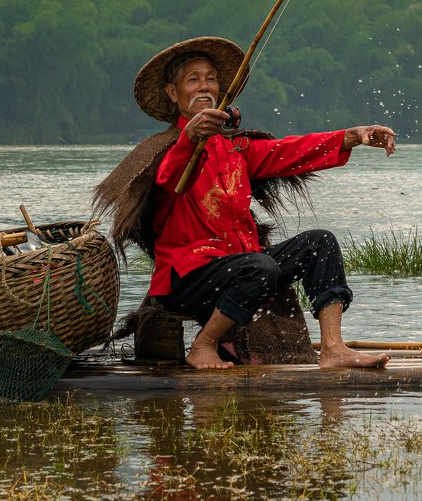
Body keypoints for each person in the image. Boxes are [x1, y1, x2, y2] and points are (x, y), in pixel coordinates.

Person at [94, 36, 396, 371]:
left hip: (240, 268)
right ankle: (203, 345)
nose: (204, 85)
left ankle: (333, 348)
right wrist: (191, 136)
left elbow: (290, 151)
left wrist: (353, 135)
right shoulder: (166, 148)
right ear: (172, 92)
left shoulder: (237, 149)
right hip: (187, 279)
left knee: (320, 243)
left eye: (210, 78)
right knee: (260, 267)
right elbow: (168, 178)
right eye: (193, 80)